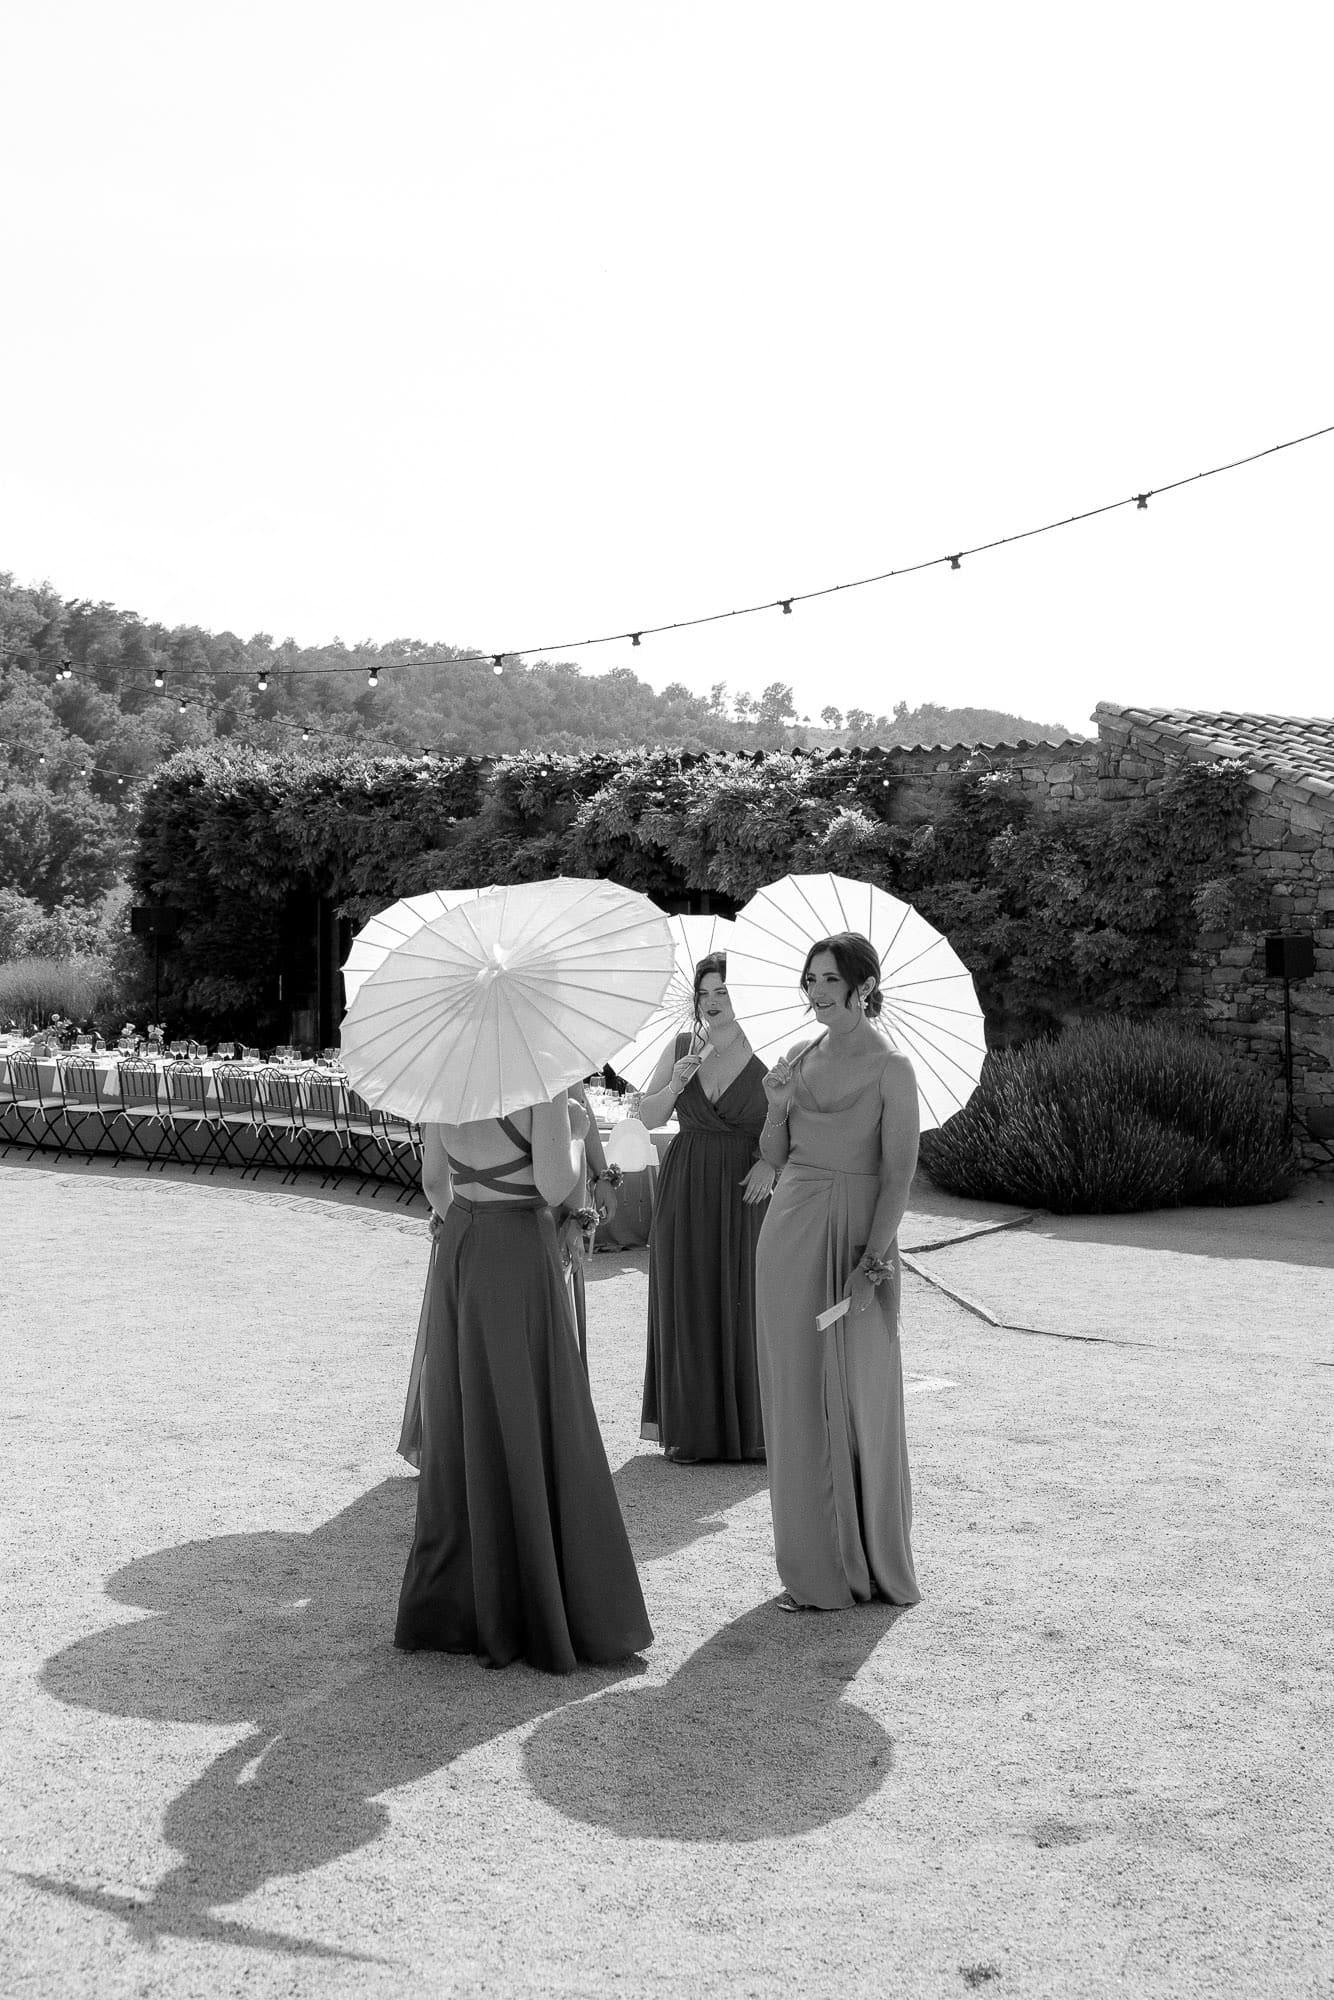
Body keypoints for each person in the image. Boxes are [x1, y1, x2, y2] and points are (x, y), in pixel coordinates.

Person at [394, 1089, 653, 1673]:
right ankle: (541, 1598)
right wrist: (576, 1126)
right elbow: (555, 1185)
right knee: (532, 1407)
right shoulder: (538, 1081)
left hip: (461, 1241)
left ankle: (458, 1603)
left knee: (467, 1410)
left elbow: (435, 1181)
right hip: (517, 1246)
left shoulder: (447, 1079)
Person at [755, 932, 922, 1611]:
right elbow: (773, 1154)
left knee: (860, 1393)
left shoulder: (893, 1070)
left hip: (858, 1238)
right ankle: (814, 1569)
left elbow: (900, 1176)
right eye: (811, 979)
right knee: (795, 1394)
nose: (818, 991)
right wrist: (773, 1104)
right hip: (789, 1235)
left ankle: (871, 1565)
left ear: (863, 986)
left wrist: (873, 1261)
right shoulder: (797, 1057)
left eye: (830, 980)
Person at [637, 952, 773, 1463]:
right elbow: (647, 1114)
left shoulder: (772, 1051)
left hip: (747, 1185)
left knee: (745, 1296)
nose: (713, 1002)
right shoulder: (680, 1046)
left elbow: (793, 1120)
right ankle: (693, 1431)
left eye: (723, 991)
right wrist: (675, 1083)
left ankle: (748, 1432)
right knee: (688, 1297)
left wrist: (770, 1164)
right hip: (686, 1183)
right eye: (705, 993)